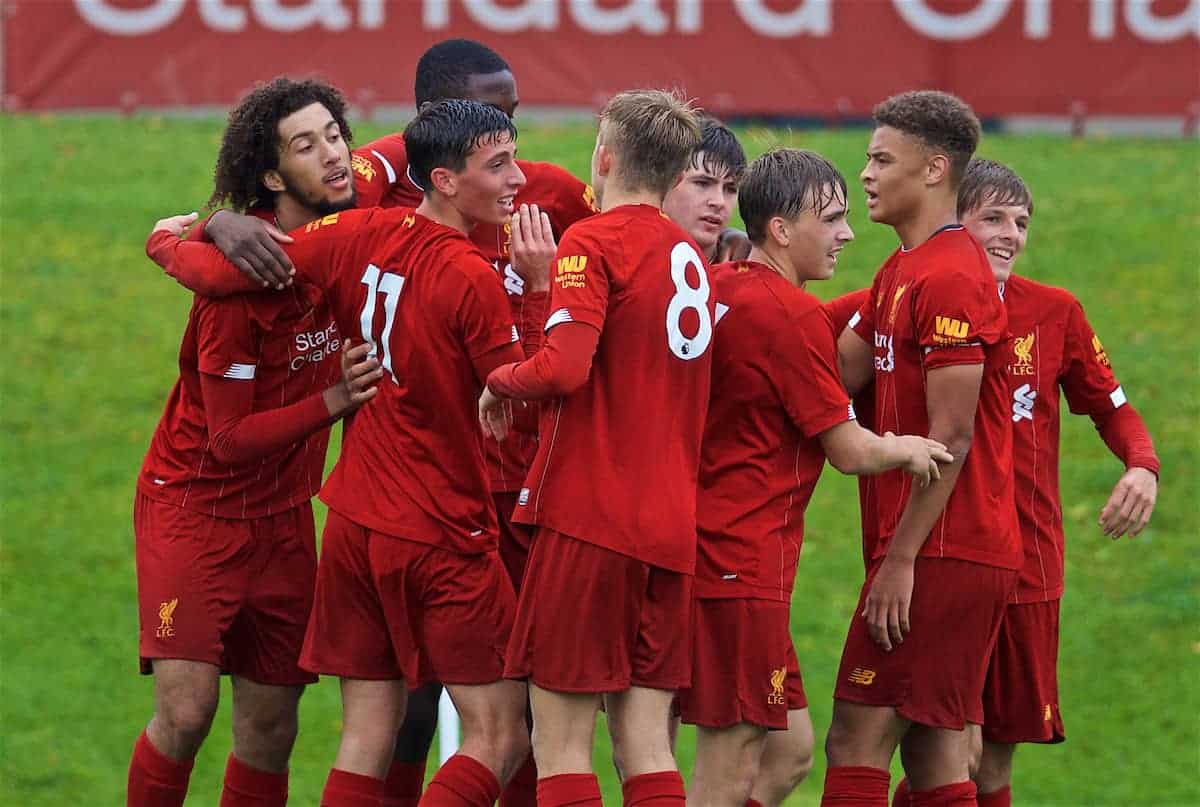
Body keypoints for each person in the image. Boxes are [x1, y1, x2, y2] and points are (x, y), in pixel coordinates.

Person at [194, 45, 599, 802]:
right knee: (503, 729)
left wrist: (192, 230)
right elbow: (525, 396)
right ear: (446, 180)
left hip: (353, 522)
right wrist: (542, 292)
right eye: (501, 163)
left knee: (367, 732)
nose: (520, 179)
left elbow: (252, 259)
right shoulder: (469, 277)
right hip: (441, 526)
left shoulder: (359, 234)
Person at [128, 77, 378, 807]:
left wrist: (199, 226)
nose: (333, 154)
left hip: (285, 518)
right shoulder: (235, 289)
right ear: (272, 176)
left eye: (335, 133)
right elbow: (231, 440)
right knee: (187, 710)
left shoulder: (351, 226)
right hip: (196, 513)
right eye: (307, 145)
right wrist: (335, 397)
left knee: (272, 728)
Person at [682, 147, 953, 807]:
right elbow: (849, 450)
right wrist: (912, 447)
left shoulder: (715, 288)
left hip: (701, 548)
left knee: (790, 748)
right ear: (780, 228)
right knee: (730, 761)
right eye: (830, 219)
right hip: (738, 564)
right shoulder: (791, 314)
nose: (846, 232)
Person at [892, 159, 1160, 807]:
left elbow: (1111, 404)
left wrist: (1142, 464)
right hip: (949, 555)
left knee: (989, 766)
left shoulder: (1055, 312)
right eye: (995, 219)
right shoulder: (917, 295)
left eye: (1022, 221)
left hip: (1030, 566)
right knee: (952, 748)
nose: (1012, 233)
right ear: (958, 224)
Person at [478, 89, 705, 807]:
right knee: (645, 741)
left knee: (560, 739)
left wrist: (500, 378)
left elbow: (564, 369)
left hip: (593, 517)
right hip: (670, 525)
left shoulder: (595, 241)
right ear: (674, 174)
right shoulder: (686, 252)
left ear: (604, 157)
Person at [824, 90, 1021, 806]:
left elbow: (953, 437)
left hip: (941, 549)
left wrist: (900, 558)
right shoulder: (902, 269)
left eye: (882, 159)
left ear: (934, 169)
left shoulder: (948, 275)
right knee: (935, 750)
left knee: (855, 738)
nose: (867, 174)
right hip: (944, 546)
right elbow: (833, 376)